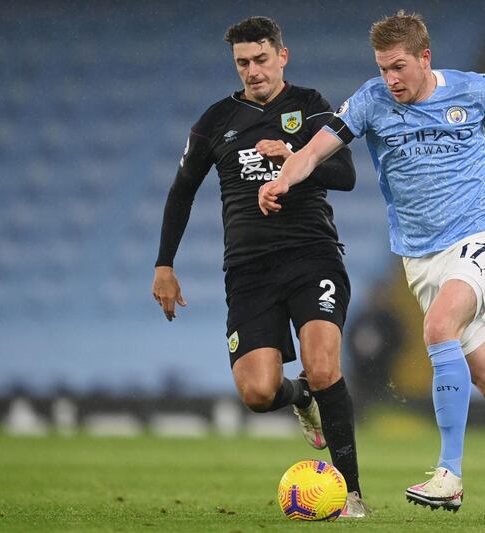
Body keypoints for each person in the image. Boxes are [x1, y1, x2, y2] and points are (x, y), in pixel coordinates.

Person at [257, 11, 485, 512]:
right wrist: (284, 179)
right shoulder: (370, 100)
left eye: (399, 67)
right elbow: (315, 150)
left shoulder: (473, 90)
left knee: (437, 327)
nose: (391, 79)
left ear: (425, 58)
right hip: (421, 260)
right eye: (383, 68)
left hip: (478, 239)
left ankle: (449, 474)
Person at [151, 16, 369, 517]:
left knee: (322, 363)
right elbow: (182, 192)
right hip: (248, 268)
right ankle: (300, 398)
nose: (253, 71)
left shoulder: (310, 105)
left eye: (261, 60)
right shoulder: (214, 121)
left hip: (312, 255)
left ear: (282, 56)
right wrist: (164, 263)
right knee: (257, 391)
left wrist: (296, 155)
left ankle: (351, 492)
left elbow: (347, 174)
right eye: (243, 63)